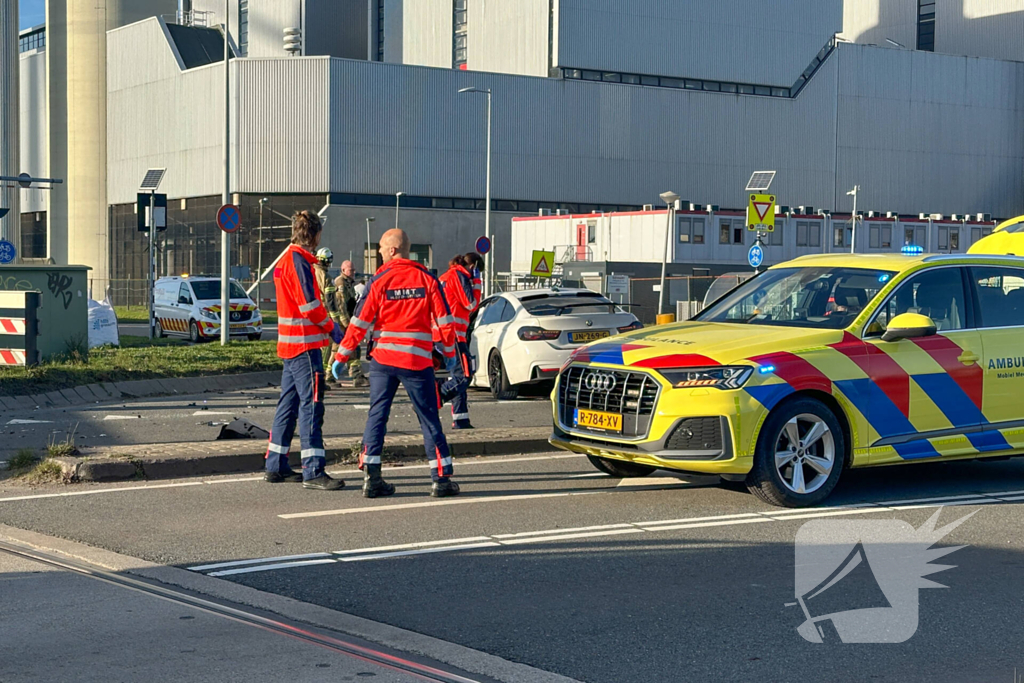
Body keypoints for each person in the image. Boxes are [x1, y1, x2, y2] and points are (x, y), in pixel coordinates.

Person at [331, 228, 466, 499]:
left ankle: (372, 478)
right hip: (416, 361)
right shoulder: (427, 278)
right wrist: (451, 357)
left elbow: (359, 322)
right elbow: (444, 322)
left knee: (377, 416)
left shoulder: (379, 280)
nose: (379, 252)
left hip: (382, 361)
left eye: (381, 247)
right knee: (428, 418)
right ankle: (440, 479)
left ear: (392, 250)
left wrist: (341, 356)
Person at [264, 210, 345, 491]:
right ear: (316, 235)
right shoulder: (299, 262)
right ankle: (313, 470)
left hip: (290, 345)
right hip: (305, 344)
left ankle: (276, 464)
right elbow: (309, 306)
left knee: (288, 404)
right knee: (312, 405)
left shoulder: (286, 259)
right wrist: (333, 328)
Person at [435, 254, 477, 429]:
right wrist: (478, 284)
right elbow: (471, 304)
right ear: (473, 266)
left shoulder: (444, 277)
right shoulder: (459, 276)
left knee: (454, 376)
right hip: (454, 335)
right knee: (464, 376)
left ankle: (461, 419)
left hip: (439, 335)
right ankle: (435, 396)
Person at [334, 260, 368, 388]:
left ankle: (354, 375)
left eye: (353, 270)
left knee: (346, 348)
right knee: (348, 348)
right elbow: (341, 306)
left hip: (349, 319)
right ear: (343, 270)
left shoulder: (350, 283)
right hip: (344, 322)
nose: (353, 272)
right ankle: (355, 375)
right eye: (350, 270)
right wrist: (347, 324)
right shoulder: (341, 283)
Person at [314, 247, 342, 389]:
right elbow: (330, 301)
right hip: (324, 315)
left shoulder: (311, 272)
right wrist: (335, 321)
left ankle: (316, 378)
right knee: (327, 347)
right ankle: (323, 377)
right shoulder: (326, 277)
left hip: (312, 315)